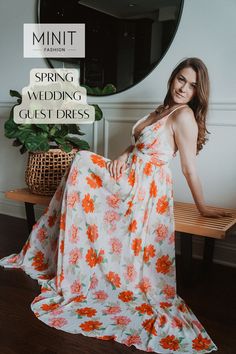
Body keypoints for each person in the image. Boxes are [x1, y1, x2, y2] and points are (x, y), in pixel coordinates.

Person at [0, 57, 227, 353]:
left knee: (81, 159)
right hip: (129, 175)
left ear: (198, 92)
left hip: (144, 189)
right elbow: (139, 144)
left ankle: (72, 254)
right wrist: (121, 157)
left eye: (193, 85)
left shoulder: (183, 116)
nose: (184, 88)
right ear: (173, 78)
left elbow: (189, 168)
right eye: (181, 79)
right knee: (81, 160)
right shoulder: (163, 109)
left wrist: (203, 208)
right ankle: (68, 252)